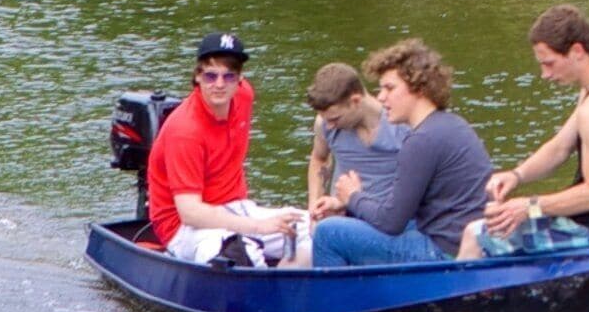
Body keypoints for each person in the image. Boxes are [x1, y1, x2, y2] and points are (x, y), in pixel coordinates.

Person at [297, 39, 497, 267]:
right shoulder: (452, 123)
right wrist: (345, 204)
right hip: (466, 241)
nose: (381, 97)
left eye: (389, 88)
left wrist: (353, 197)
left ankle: (344, 292)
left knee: (328, 233)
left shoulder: (420, 140)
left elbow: (391, 222)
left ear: (418, 89)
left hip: (443, 252)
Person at [477, 2, 589, 254]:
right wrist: (517, 176)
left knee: (478, 234)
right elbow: (560, 148)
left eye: (549, 63)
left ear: (577, 51)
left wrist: (529, 206)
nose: (544, 74)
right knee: (498, 223)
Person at [145, 30, 306, 258]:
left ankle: (294, 274)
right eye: (211, 76)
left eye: (229, 76)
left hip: (236, 207)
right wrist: (258, 227)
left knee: (313, 228)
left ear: (240, 78)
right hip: (184, 227)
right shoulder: (185, 131)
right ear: (198, 76)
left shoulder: (243, 96)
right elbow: (190, 212)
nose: (219, 85)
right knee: (240, 253)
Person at [300, 60, 407, 236]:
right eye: (326, 119)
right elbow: (320, 158)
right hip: (342, 218)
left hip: (387, 223)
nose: (330, 126)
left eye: (335, 119)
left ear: (356, 101)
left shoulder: (402, 126)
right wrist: (314, 207)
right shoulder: (324, 124)